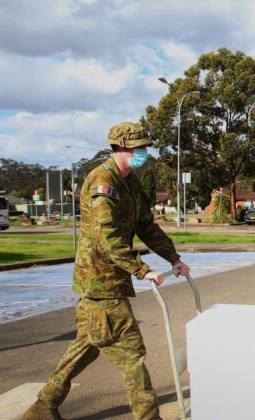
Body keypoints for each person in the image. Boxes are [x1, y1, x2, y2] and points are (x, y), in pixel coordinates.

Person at [23, 122, 190, 420]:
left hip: (108, 284)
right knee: (132, 355)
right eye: (139, 148)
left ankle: (43, 406)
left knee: (87, 346)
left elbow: (146, 226)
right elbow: (106, 237)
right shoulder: (103, 182)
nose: (144, 153)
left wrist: (173, 258)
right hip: (100, 284)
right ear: (120, 148)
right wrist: (142, 270)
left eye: (145, 147)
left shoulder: (130, 183)